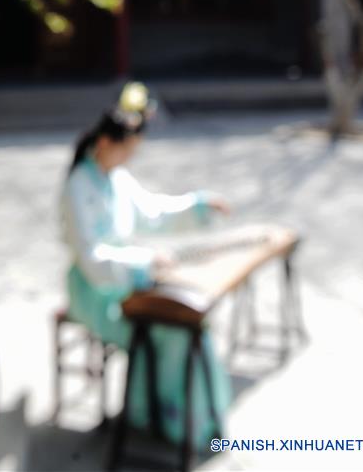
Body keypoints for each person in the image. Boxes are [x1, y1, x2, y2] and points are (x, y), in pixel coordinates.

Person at [59, 83, 232, 451]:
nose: (128, 160)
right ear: (105, 144)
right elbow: (92, 260)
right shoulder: (77, 186)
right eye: (127, 151)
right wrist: (144, 261)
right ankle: (163, 417)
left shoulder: (115, 178)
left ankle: (176, 416)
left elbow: (152, 211)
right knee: (170, 331)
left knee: (187, 324)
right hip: (96, 290)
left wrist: (198, 205)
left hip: (127, 278)